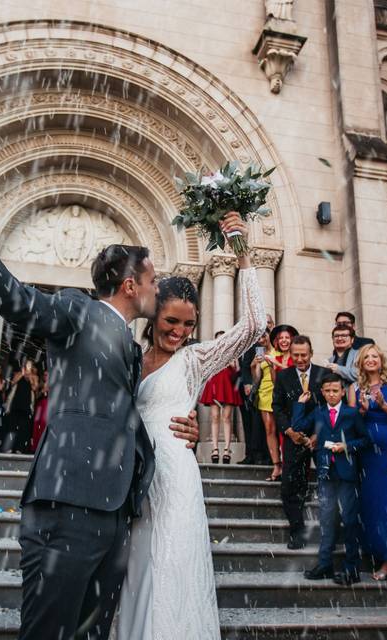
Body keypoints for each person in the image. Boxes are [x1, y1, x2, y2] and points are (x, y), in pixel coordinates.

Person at [0, 148, 200, 640]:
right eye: (152, 281)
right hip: (69, 505)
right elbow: (17, 301)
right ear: (129, 285)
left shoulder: (131, 345)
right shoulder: (77, 311)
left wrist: (183, 425)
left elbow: (132, 411)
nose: (158, 289)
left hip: (115, 512)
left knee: (90, 633)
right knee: (49, 631)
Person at [118, 213, 265, 639]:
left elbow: (255, 324)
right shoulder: (130, 356)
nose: (179, 332)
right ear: (152, 317)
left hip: (176, 477)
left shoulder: (196, 360)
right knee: (138, 567)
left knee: (173, 564)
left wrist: (241, 251)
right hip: (133, 478)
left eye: (188, 324)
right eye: (170, 322)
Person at [294, 373, 370, 585]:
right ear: (322, 392)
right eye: (327, 391)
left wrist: (348, 446)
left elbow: (365, 439)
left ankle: (351, 567)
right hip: (326, 473)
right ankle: (325, 563)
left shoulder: (351, 413)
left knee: (349, 519)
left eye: (335, 390)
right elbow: (298, 425)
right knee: (326, 519)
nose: (331, 394)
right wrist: (300, 405)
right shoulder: (318, 412)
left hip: (347, 474)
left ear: (343, 392)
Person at [349, 343, 387, 586]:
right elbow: (352, 422)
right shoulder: (354, 388)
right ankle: (385, 557)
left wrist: (383, 405)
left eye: (375, 356)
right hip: (368, 453)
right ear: (361, 362)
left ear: (381, 360)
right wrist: (362, 411)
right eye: (367, 357)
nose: (371, 360)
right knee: (375, 507)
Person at [272, 334, 328, 548]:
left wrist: (317, 435)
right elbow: (277, 407)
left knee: (329, 480)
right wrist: (288, 431)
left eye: (304, 355)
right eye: (295, 355)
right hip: (293, 436)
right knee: (289, 485)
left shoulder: (324, 374)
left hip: (319, 438)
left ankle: (328, 532)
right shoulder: (283, 376)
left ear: (311, 353)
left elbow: (327, 408)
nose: (300, 359)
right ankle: (297, 531)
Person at [199, 330, 241, 463]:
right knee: (215, 417)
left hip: (228, 385)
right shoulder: (212, 353)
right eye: (219, 338)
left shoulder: (232, 352)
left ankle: (227, 450)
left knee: (227, 418)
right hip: (215, 385)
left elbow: (237, 370)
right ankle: (215, 448)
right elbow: (205, 369)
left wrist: (232, 363)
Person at [252, 330, 282, 481]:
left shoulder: (278, 351)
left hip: (278, 390)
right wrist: (255, 366)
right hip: (264, 392)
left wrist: (272, 365)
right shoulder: (260, 354)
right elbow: (257, 378)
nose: (261, 339)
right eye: (258, 338)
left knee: (282, 428)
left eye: (264, 336)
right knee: (269, 429)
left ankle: (285, 463)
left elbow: (280, 374)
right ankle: (276, 465)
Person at [237, 336, 268, 465]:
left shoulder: (259, 345)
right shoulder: (241, 346)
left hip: (255, 389)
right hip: (242, 389)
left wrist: (249, 383)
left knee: (258, 424)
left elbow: (258, 367)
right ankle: (249, 454)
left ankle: (259, 455)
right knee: (247, 422)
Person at [3, 360, 38, 454]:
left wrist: (30, 378)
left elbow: (35, 388)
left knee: (23, 428)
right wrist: (22, 374)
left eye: (30, 365)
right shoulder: (19, 374)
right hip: (16, 403)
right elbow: (12, 383)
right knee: (12, 426)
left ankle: (20, 448)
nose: (28, 367)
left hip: (26, 405)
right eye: (27, 365)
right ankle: (9, 447)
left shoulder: (34, 377)